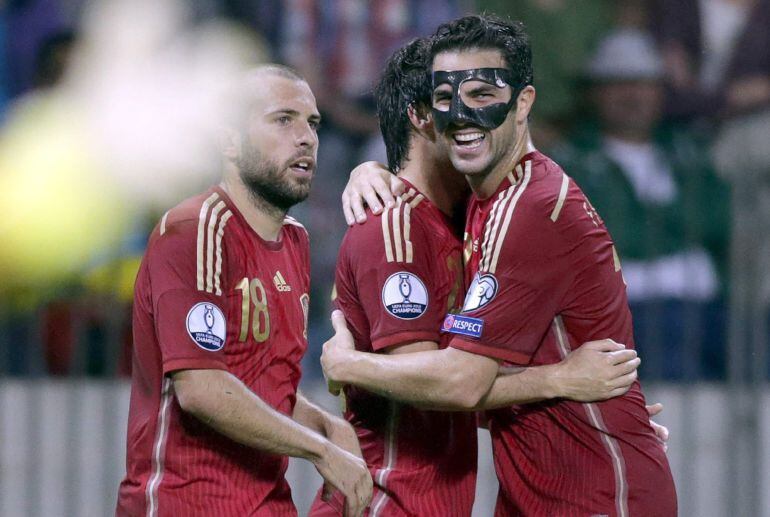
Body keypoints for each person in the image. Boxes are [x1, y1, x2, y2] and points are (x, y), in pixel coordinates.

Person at [321, 15, 676, 515]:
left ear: (524, 102)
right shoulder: (477, 207)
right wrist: (565, 385)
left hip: (592, 491)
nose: (462, 114)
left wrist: (346, 364)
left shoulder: (525, 210)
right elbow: (456, 384)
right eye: (445, 100)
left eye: (483, 95)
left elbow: (459, 384)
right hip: (537, 487)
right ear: (425, 116)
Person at [115, 65, 372, 517]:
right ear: (230, 142)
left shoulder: (295, 240)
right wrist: (322, 451)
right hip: (185, 503)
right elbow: (201, 387)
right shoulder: (195, 230)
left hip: (266, 504)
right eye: (282, 119)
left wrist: (328, 427)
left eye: (312, 123)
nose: (307, 138)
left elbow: (267, 385)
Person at [552, 28, 729, 380]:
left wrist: (649, 220)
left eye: (644, 83)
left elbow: (719, 221)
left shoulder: (687, 151)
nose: (632, 94)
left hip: (706, 305)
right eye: (617, 83)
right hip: (631, 308)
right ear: (594, 93)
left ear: (661, 92)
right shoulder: (571, 161)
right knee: (675, 361)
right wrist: (676, 227)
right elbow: (611, 237)